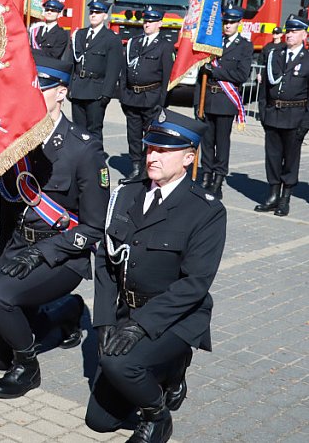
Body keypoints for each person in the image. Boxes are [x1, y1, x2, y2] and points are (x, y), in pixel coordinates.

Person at [86, 109, 226, 443]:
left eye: (164, 151)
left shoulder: (205, 210)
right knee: (99, 421)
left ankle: (157, 415)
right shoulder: (127, 192)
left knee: (122, 367)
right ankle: (165, 368)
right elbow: (106, 263)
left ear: (189, 158)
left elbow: (195, 284)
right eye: (150, 148)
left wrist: (141, 325)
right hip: (127, 310)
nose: (152, 156)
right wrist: (105, 319)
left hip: (175, 316)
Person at [0, 54, 109, 399]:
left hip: (62, 254)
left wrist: (43, 252)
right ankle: (66, 311)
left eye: (43, 88)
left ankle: (28, 367)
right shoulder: (18, 140)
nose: (34, 94)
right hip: (20, 246)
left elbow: (94, 227)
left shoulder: (84, 149)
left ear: (62, 92)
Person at [194, 6, 253, 199]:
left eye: (232, 23)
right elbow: (200, 77)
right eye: (225, 22)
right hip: (208, 99)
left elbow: (241, 75)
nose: (228, 26)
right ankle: (206, 175)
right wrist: (197, 103)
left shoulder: (244, 46)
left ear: (239, 24)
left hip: (226, 101)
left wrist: (216, 72)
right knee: (207, 142)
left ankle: (218, 179)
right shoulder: (213, 43)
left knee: (222, 143)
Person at [254, 15, 309, 216]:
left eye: (295, 31)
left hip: (295, 116)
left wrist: (305, 123)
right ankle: (272, 195)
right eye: (288, 31)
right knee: (273, 158)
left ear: (304, 34)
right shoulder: (274, 54)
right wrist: (263, 111)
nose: (290, 34)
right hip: (273, 115)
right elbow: (264, 88)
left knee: (291, 159)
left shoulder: (307, 59)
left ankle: (285, 198)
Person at [119, 6, 174, 182]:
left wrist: (162, 101)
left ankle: (146, 169)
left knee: (149, 136)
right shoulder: (134, 42)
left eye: (151, 21)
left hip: (151, 97)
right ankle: (135, 167)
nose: (147, 24)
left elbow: (167, 77)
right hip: (132, 97)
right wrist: (122, 95)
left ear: (159, 23)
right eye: (145, 21)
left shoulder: (165, 46)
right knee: (133, 135)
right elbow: (124, 70)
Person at [69, 0, 123, 153]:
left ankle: (96, 164)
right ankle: (79, 164)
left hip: (96, 91)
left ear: (105, 16)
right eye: (92, 12)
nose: (93, 15)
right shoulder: (80, 35)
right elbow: (73, 63)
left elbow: (113, 69)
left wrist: (106, 94)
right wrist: (70, 87)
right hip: (78, 88)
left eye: (98, 12)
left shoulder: (111, 38)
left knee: (94, 131)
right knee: (78, 131)